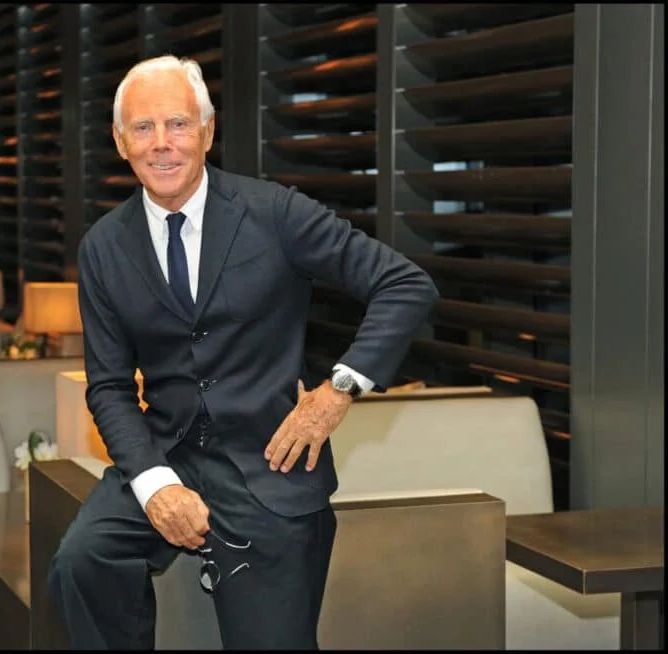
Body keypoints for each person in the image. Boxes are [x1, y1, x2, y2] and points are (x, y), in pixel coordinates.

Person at [48, 55, 439, 650]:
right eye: (143, 128)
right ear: (121, 142)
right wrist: (154, 485)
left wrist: (338, 391)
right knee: (82, 562)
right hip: (167, 451)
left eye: (178, 124)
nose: (162, 143)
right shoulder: (102, 246)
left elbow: (405, 284)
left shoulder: (275, 212)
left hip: (270, 460)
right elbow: (108, 386)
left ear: (207, 132)